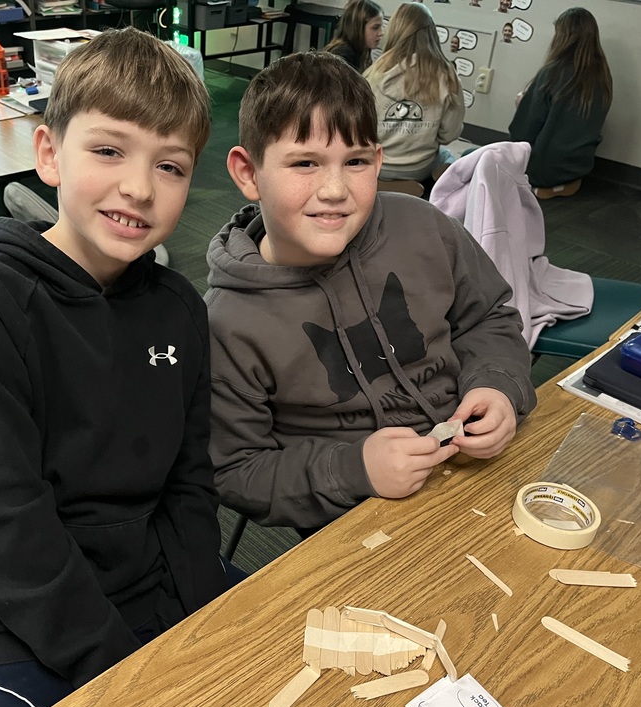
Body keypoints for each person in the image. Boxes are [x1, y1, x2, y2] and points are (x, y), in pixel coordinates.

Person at [0, 28, 234, 707]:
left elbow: (190, 483)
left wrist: (200, 614)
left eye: (171, 166)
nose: (140, 187)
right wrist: (115, 665)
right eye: (109, 151)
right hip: (6, 610)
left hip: (147, 582)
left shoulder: (180, 309)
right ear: (50, 154)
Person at [206, 51, 536, 535]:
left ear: (378, 161)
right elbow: (237, 471)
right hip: (355, 513)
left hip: (480, 468)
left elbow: (488, 317)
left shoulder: (427, 227)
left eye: (355, 161)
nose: (336, 189)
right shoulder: (226, 322)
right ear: (248, 173)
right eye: (305, 163)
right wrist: (355, 469)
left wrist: (497, 386)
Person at [509, 7, 613, 198]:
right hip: (580, 166)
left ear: (563, 37)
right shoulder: (602, 76)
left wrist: (521, 105)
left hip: (541, 168)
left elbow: (523, 132)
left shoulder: (551, 73)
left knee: (472, 157)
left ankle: (539, 185)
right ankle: (561, 185)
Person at [363, 2, 465, 185]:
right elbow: (450, 135)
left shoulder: (374, 73)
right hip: (420, 167)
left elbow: (362, 129)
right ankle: (427, 192)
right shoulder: (448, 75)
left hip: (378, 165)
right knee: (448, 157)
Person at [323, 0, 384, 72]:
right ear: (358, 27)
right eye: (375, 27)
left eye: (381, 27)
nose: (381, 33)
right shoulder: (343, 56)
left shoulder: (362, 51)